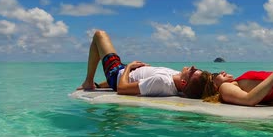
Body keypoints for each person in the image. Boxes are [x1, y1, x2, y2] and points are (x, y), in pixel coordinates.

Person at [78, 30, 206, 98]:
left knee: (99, 35)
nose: (193, 67)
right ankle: (96, 85)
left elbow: (122, 89)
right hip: (126, 72)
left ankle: (88, 81)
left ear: (184, 83)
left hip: (116, 74)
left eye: (193, 72)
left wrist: (129, 67)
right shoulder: (177, 77)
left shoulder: (161, 82)